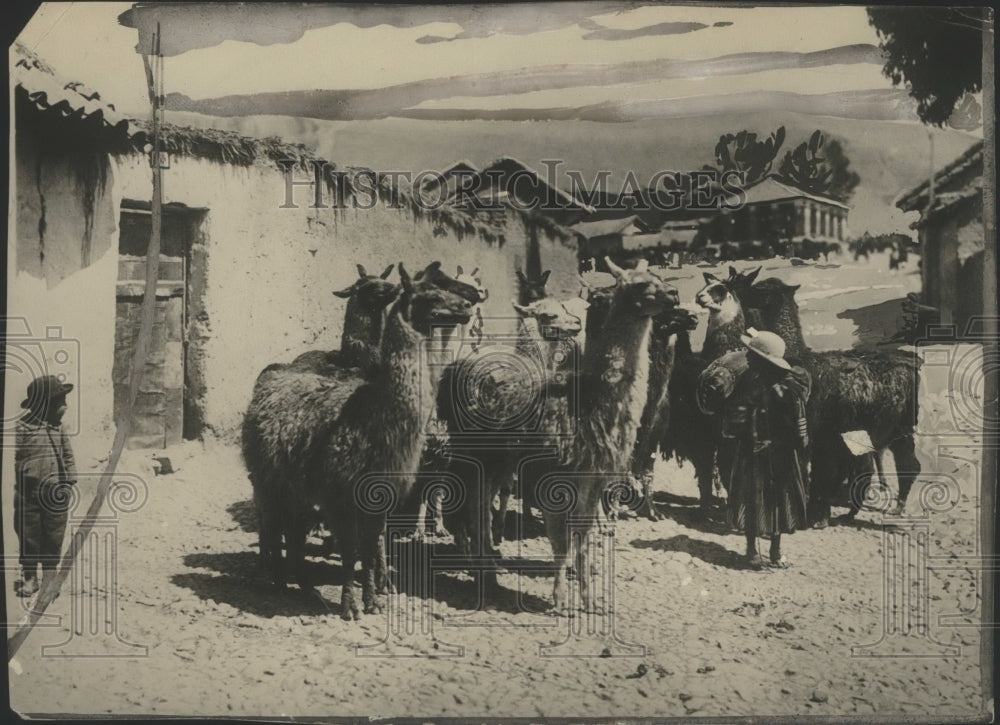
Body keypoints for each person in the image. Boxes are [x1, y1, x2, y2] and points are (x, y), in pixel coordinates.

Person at [722, 330, 811, 569]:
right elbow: (801, 434)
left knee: (755, 500)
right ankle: (774, 552)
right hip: (781, 457)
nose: (748, 358)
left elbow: (731, 427)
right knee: (776, 501)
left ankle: (754, 551)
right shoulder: (791, 390)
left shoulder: (748, 386)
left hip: (757, 455)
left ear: (763, 360)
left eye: (752, 355)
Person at [14, 375, 77, 597]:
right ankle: (30, 577)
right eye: (60, 402)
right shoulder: (22, 427)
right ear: (43, 405)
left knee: (54, 535)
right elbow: (13, 457)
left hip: (56, 493)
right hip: (28, 494)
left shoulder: (59, 428)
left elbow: (68, 456)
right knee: (29, 534)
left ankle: (50, 578)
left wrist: (70, 481)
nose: (65, 407)